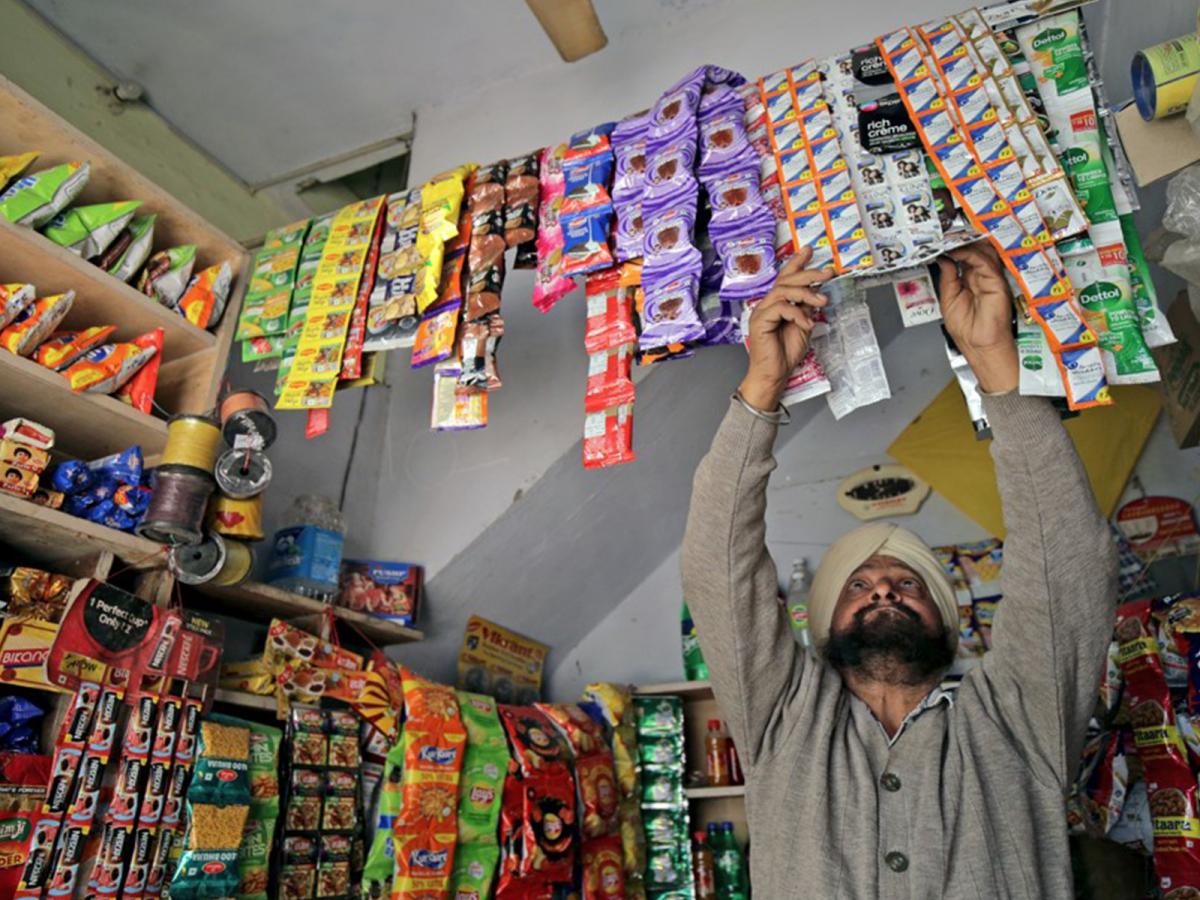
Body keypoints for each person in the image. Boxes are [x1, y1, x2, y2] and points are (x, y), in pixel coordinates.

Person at [681, 243, 1117, 899]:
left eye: (909, 582)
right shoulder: (785, 721)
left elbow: (1069, 563)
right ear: (824, 623)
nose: (883, 587)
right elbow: (719, 569)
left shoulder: (1016, 721)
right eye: (857, 585)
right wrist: (762, 388)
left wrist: (994, 363)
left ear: (946, 618)